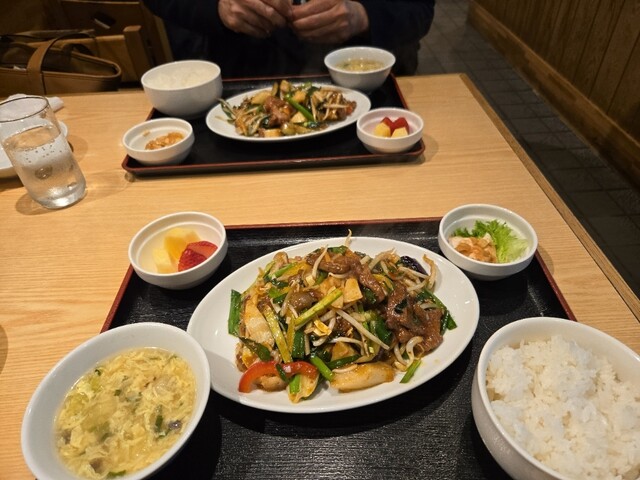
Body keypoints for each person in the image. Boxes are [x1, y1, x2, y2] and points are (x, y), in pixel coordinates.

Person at [143, 0, 435, 77]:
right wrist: (215, 7)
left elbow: (419, 8)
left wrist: (364, 15)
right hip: (235, 81)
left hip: (369, 85)